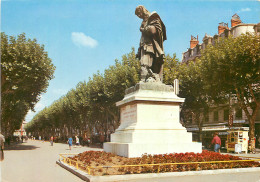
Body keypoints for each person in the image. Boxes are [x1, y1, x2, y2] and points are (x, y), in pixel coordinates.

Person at [135, 5, 167, 82]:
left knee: (145, 63)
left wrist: (143, 29)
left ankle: (144, 81)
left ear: (143, 10)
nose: (139, 16)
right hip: (144, 45)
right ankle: (146, 80)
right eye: (137, 15)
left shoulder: (153, 17)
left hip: (150, 46)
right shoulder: (144, 21)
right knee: (144, 64)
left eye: (139, 13)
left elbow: (153, 31)